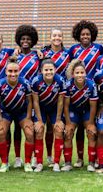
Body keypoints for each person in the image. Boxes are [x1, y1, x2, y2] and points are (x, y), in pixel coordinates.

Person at [69, 20, 103, 168]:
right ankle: (79, 159)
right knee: (76, 129)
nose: (85, 36)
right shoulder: (73, 50)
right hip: (77, 91)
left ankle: (97, 158)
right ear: (78, 35)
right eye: (83, 34)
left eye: (88, 34)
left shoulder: (99, 48)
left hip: (92, 91)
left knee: (92, 128)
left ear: (92, 35)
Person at [0, 56, 35, 172]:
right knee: (0, 132)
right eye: (10, 71)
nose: (13, 74)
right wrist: (0, 117)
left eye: (15, 71)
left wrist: (28, 117)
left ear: (19, 71)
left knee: (30, 132)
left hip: (21, 112)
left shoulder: (25, 83)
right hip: (6, 112)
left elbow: (30, 101)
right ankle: (4, 163)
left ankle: (27, 163)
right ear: (6, 71)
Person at [12, 25, 41, 168]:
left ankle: (35, 156)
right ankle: (18, 158)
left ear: (33, 41)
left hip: (33, 97)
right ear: (18, 40)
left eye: (28, 39)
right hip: (17, 97)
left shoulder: (37, 55)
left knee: (33, 127)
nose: (25, 41)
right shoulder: (14, 56)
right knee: (17, 128)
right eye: (23, 39)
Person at [40, 28, 70, 166]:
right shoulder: (44, 52)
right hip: (45, 95)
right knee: (46, 129)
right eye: (54, 35)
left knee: (59, 127)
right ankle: (49, 156)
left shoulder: (67, 53)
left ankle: (62, 157)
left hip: (60, 94)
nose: (56, 38)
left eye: (59, 36)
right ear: (50, 37)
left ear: (62, 38)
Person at [62, 59, 98, 172]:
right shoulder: (68, 85)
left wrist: (91, 123)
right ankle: (68, 163)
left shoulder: (91, 85)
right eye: (77, 73)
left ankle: (91, 163)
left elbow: (93, 106)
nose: (80, 75)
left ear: (85, 73)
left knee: (91, 133)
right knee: (68, 133)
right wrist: (67, 123)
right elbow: (66, 106)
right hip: (73, 111)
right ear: (73, 74)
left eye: (82, 72)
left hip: (87, 111)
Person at [31, 59, 66, 172]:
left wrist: (58, 119)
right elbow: (35, 102)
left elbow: (61, 101)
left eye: (51, 69)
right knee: (39, 130)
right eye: (46, 70)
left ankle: (56, 162)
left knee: (59, 130)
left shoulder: (60, 80)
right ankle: (39, 162)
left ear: (55, 70)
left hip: (54, 108)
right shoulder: (36, 81)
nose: (49, 72)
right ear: (41, 71)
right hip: (41, 108)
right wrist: (40, 120)